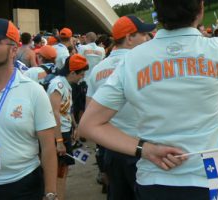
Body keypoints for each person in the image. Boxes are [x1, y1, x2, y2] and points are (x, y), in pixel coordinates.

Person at [78, 0, 218, 199]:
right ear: (200, 10)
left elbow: (88, 125)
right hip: (210, 175)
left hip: (154, 177)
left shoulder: (132, 60)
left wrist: (143, 149)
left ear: (158, 13)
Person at [0, 18, 58, 200]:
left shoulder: (33, 91)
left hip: (23, 185)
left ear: (14, 49)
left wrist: (50, 193)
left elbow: (48, 148)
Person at [86, 15, 156, 199]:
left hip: (112, 148)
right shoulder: (146, 64)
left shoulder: (98, 69)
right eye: (143, 34)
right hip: (142, 147)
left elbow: (89, 111)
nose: (147, 38)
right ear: (129, 38)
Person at [47, 54, 89, 200]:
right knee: (59, 169)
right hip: (57, 134)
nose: (82, 78)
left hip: (64, 132)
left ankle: (60, 195)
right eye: (81, 74)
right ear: (72, 72)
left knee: (63, 169)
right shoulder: (57, 85)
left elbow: (66, 110)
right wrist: (59, 141)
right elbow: (54, 113)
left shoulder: (67, 85)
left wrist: (75, 126)